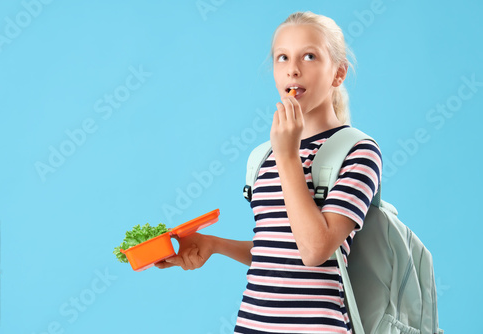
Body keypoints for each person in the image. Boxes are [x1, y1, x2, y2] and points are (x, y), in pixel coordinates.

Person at [156, 11, 382, 334]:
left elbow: (314, 250)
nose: (293, 69)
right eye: (282, 58)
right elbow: (277, 251)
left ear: (338, 73)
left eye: (309, 56)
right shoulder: (262, 156)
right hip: (252, 324)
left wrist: (288, 155)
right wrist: (215, 244)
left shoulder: (358, 152)